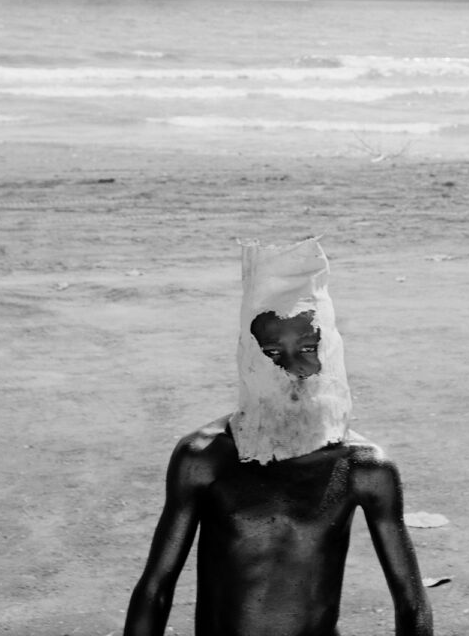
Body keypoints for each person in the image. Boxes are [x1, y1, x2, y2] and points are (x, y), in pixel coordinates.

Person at [124, 238, 434, 636]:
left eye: (308, 347)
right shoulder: (204, 458)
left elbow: (410, 603)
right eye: (271, 352)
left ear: (330, 351)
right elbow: (156, 589)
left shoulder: (363, 468)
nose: (291, 367)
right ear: (248, 357)